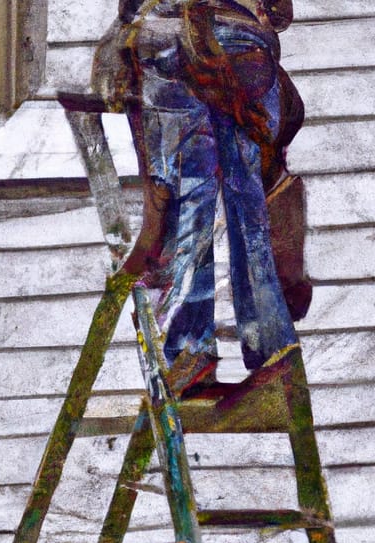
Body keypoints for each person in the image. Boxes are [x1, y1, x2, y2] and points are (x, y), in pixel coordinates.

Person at [92, 0, 306, 397]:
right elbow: (279, 13)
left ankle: (189, 353)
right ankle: (272, 351)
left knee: (187, 197)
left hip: (166, 45)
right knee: (249, 208)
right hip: (243, 54)